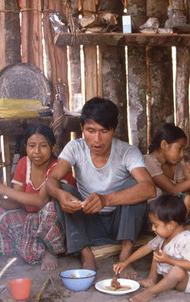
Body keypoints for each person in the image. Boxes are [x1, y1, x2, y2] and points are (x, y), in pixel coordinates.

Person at [45, 97, 156, 278]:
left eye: (104, 131)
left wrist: (106, 200)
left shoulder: (128, 152)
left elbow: (149, 189)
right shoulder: (75, 148)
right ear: (82, 128)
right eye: (90, 130)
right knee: (64, 189)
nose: (97, 139)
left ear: (113, 129)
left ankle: (125, 257)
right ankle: (86, 255)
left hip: (120, 225)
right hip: (88, 222)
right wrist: (60, 195)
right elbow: (52, 180)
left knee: (135, 186)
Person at [0, 125, 75, 271]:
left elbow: (41, 201)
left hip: (57, 223)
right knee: (1, 214)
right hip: (33, 219)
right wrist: (1, 201)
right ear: (26, 147)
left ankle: (50, 250)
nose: (36, 151)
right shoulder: (24, 163)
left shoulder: (57, 167)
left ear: (53, 146)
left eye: (43, 146)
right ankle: (10, 253)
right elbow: (17, 203)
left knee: (51, 207)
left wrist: (2, 189)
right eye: (31, 146)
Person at [113, 194, 190, 302]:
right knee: (157, 250)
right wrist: (125, 262)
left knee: (178, 271)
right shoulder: (163, 236)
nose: (152, 228)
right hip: (171, 275)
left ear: (171, 225)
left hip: (188, 281)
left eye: (156, 225)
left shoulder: (187, 239)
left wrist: (168, 260)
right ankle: (151, 280)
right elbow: (146, 248)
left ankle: (151, 291)